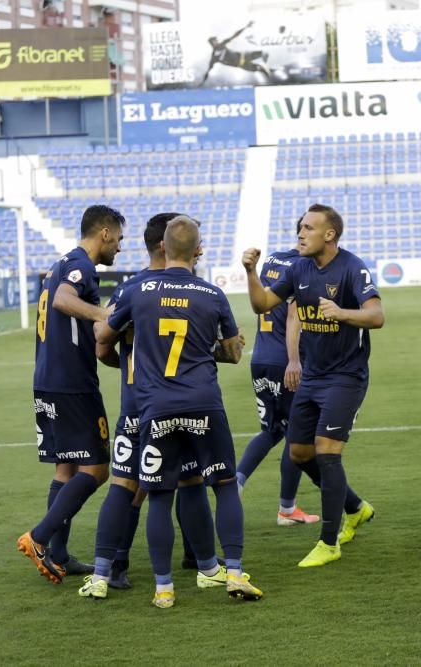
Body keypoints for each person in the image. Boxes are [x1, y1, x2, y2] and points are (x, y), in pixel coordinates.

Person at [98, 216, 262, 608]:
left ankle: (164, 588)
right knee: (222, 486)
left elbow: (103, 338)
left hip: (155, 407)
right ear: (198, 250)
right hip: (204, 402)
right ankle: (233, 572)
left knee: (158, 496)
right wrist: (216, 348)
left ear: (162, 249)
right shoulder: (212, 294)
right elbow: (234, 352)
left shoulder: (138, 292)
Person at [243, 203, 383, 568]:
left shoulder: (353, 267)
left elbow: (376, 315)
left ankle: (329, 540)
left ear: (329, 234)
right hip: (313, 374)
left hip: (345, 376)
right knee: (299, 453)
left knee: (327, 451)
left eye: (308, 228)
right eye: (300, 228)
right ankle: (355, 508)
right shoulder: (298, 268)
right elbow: (262, 304)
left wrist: (343, 313)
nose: (300, 234)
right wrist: (251, 271)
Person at [79, 212, 199, 598]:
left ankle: (113, 565)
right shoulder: (193, 289)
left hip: (135, 403)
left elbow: (102, 346)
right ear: (167, 244)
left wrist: (131, 367)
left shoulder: (129, 289)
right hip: (182, 400)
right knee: (188, 477)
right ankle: (199, 558)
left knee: (126, 483)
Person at [18, 205, 125, 584]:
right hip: (72, 383)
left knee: (66, 467)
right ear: (105, 234)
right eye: (119, 239)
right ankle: (40, 537)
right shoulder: (81, 264)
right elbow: (64, 300)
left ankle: (58, 553)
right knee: (96, 469)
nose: (120, 249)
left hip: (47, 378)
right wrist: (103, 315)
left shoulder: (60, 262)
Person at [236, 219, 318, 526]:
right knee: (297, 435)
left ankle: (236, 483)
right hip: (287, 360)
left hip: (260, 357)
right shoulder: (303, 267)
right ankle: (287, 509)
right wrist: (295, 360)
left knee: (271, 430)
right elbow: (296, 315)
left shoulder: (272, 259)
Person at [199, 20, 271, 86]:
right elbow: (208, 70)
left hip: (244, 56)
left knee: (262, 53)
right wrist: (202, 83)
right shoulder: (214, 58)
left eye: (216, 40)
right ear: (212, 44)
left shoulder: (222, 44)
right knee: (260, 69)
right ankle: (271, 75)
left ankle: (267, 63)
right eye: (215, 41)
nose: (217, 41)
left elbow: (234, 35)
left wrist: (245, 27)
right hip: (242, 65)